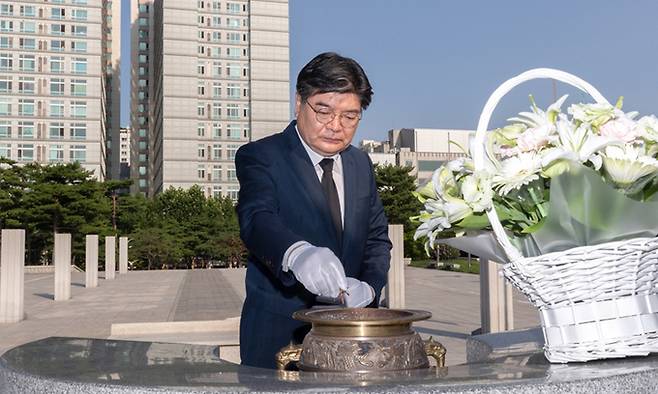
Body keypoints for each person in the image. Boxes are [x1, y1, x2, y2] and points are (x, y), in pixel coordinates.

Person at [235, 52, 392, 369]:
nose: (336, 126)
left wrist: (371, 287)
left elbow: (376, 239)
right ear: (299, 102)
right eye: (323, 111)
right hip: (280, 334)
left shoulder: (360, 163)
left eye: (350, 116)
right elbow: (256, 219)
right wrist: (296, 253)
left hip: (351, 332)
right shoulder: (262, 155)